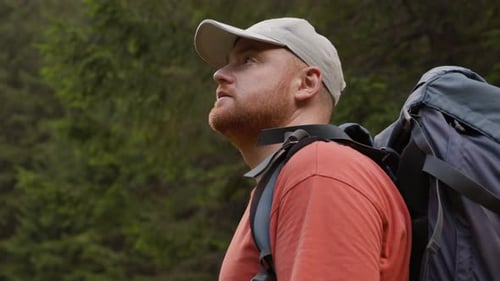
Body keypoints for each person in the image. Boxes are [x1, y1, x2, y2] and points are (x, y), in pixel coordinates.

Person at [194, 17, 411, 281]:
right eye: (227, 62)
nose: (220, 74)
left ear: (306, 83)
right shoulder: (294, 179)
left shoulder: (319, 171)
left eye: (248, 60)